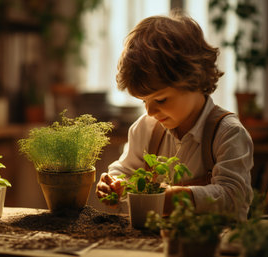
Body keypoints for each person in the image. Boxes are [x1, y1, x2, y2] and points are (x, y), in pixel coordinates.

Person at [95, 13, 253, 221]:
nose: (150, 111)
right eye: (144, 101)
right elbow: (125, 168)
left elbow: (233, 197)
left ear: (194, 80)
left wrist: (172, 197)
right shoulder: (146, 128)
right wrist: (113, 182)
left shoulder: (228, 133)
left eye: (160, 100)